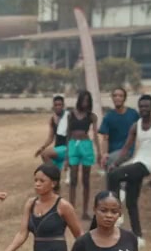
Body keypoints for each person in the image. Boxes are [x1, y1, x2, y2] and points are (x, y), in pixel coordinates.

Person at [106, 94, 151, 245]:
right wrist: (116, 163)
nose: (143, 109)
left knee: (114, 176)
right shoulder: (136, 125)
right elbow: (126, 149)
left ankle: (116, 211)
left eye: (146, 106)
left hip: (149, 164)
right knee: (131, 202)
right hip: (137, 161)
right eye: (141, 106)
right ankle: (138, 237)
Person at [63, 91, 98, 219]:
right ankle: (71, 210)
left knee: (86, 180)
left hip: (86, 146)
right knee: (73, 179)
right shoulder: (71, 115)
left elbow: (95, 135)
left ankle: (85, 211)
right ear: (79, 100)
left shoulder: (91, 116)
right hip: (73, 145)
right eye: (83, 100)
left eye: (87, 100)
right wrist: (66, 156)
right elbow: (68, 134)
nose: (85, 103)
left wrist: (99, 152)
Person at [97, 87, 139, 174]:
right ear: (112, 98)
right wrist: (104, 154)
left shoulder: (133, 114)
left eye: (120, 96)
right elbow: (105, 138)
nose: (117, 98)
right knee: (106, 161)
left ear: (124, 98)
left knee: (110, 162)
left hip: (127, 150)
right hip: (113, 152)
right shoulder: (108, 117)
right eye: (115, 96)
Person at [34, 94, 69, 172]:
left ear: (63, 105)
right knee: (46, 159)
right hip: (58, 148)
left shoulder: (68, 117)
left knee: (45, 154)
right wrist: (42, 147)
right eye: (56, 105)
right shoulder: (52, 119)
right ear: (53, 106)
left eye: (60, 105)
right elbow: (50, 137)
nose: (58, 107)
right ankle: (55, 173)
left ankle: (54, 172)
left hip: (67, 147)